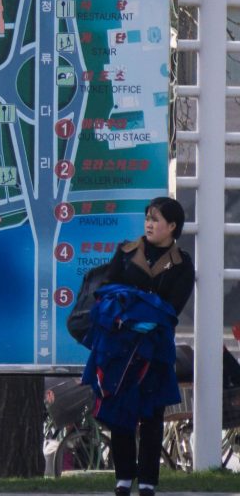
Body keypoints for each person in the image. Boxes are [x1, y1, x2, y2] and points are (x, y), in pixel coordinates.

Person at [94, 197, 195, 496]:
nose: (149, 224)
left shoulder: (182, 263)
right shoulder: (125, 253)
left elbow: (171, 308)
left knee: (153, 415)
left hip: (155, 348)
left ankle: (149, 481)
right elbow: (107, 291)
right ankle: (123, 478)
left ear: (172, 226)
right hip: (120, 346)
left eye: (156, 219)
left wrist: (139, 308)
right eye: (147, 218)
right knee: (120, 411)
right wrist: (131, 311)